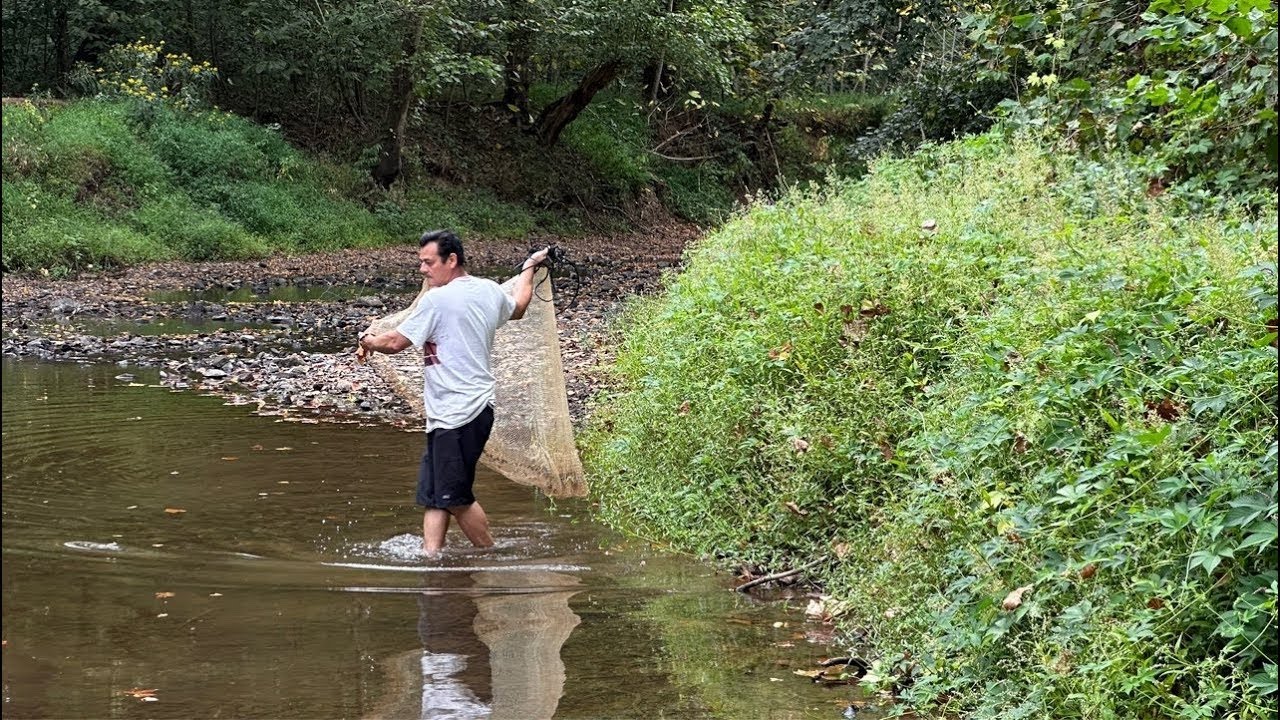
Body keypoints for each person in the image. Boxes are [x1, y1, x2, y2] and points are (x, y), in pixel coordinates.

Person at [357, 230, 549, 556]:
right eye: (420, 262)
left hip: (459, 415)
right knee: (435, 495)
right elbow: (518, 306)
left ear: (452, 260)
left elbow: (394, 343)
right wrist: (529, 267)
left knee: (455, 498)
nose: (422, 269)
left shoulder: (437, 300)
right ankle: (431, 561)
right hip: (462, 414)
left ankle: (494, 559)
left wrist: (367, 340)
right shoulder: (488, 291)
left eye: (428, 262)